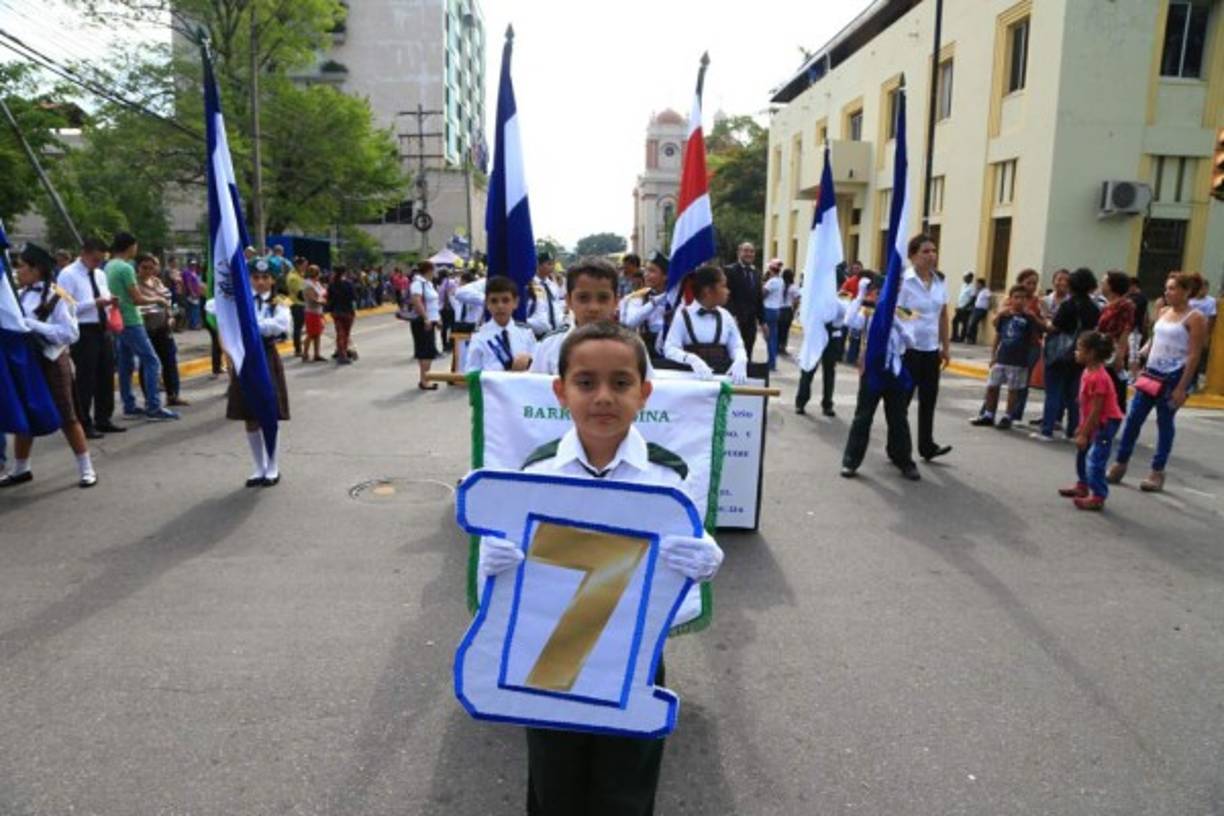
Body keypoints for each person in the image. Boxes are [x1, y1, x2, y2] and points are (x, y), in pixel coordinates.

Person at [476, 320, 723, 816]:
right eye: (586, 383)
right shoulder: (535, 473)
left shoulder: (665, 475)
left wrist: (702, 557)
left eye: (621, 383)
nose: (604, 397)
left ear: (645, 392)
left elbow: (682, 548)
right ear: (560, 391)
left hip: (632, 654)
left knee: (626, 783)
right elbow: (508, 570)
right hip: (548, 653)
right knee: (553, 778)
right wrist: (494, 567)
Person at [0, 243, 97, 488]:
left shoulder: (58, 295)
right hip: (28, 362)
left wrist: (31, 325)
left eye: (22, 266)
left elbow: (69, 334)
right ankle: (21, 469)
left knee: (67, 416)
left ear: (36, 270)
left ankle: (87, 468)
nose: (18, 270)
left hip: (52, 361)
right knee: (27, 411)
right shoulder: (19, 295)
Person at [1107, 272, 1207, 493]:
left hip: (1173, 377)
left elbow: (1193, 355)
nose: (1167, 292)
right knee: (1133, 419)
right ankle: (1120, 463)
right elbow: (1154, 341)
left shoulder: (1195, 318)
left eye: (1172, 288)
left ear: (1186, 291)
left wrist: (1182, 387)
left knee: (1164, 423)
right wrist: (1140, 367)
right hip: (1151, 373)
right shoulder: (1162, 311)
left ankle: (1157, 471)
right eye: (1166, 287)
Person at [839, 285, 920, 480]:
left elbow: (911, 343)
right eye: (880, 293)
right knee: (863, 417)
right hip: (873, 372)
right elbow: (849, 321)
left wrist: (896, 324)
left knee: (898, 418)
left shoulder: (903, 315)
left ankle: (905, 461)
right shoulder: (869, 313)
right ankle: (850, 461)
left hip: (895, 372)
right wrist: (859, 295)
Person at [227, 262, 290, 487]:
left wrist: (251, 324)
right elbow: (214, 307)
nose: (261, 281)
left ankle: (273, 465)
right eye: (255, 277)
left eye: (265, 277)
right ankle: (258, 466)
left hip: (266, 355)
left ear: (272, 280)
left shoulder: (279, 302)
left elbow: (281, 325)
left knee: (269, 411)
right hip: (244, 358)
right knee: (249, 413)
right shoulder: (240, 301)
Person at [105, 232, 179, 421]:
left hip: (117, 320)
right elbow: (137, 298)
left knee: (125, 364)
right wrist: (158, 299)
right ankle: (154, 406)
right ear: (130, 246)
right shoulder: (126, 268)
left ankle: (129, 404)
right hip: (131, 320)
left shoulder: (109, 266)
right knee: (152, 361)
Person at [56, 236, 124, 438]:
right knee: (86, 378)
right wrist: (93, 303)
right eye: (95, 259)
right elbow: (64, 307)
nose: (98, 263)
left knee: (106, 375)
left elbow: (104, 296)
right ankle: (83, 422)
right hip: (83, 331)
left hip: (103, 328)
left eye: (101, 259)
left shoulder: (100, 274)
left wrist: (110, 303)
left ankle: (103, 418)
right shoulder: (67, 275)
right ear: (84, 254)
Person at [1054, 331, 1125, 511]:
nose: (1076, 352)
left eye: (1079, 349)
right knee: (1082, 453)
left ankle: (1098, 495)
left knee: (1095, 460)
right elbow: (1086, 405)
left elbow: (1097, 409)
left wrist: (1085, 433)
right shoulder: (1088, 371)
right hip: (1093, 421)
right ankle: (1082, 485)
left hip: (1105, 423)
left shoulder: (1099, 377)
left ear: (1091, 353)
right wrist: (1082, 426)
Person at [898, 234, 952, 462]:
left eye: (934, 251)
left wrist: (945, 347)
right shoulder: (904, 281)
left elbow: (943, 315)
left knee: (928, 400)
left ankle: (927, 445)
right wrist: (911, 319)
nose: (932, 256)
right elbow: (896, 311)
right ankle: (899, 448)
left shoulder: (940, 281)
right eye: (926, 252)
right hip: (908, 350)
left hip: (930, 350)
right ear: (912, 256)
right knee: (901, 403)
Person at [1032, 267, 1100, 442]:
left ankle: (1047, 429)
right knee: (1074, 395)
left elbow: (1053, 327)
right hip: (1081, 354)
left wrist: (1041, 320)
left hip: (1059, 353)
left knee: (1053, 391)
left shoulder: (1068, 305)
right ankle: (1072, 430)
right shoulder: (1094, 307)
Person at [531, 258, 621, 375]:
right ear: (568, 301)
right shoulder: (549, 346)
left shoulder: (631, 347)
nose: (593, 308)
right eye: (583, 298)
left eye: (603, 298)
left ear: (616, 302)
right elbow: (535, 390)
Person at [662, 265, 749, 384]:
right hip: (692, 382)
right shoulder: (682, 316)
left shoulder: (726, 316)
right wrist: (691, 359)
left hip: (722, 382)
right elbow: (670, 348)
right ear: (708, 290)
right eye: (723, 286)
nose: (728, 291)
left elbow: (737, 345)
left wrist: (740, 359)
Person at [969, 284, 1040, 430]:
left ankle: (1008, 416)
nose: (1019, 301)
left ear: (1027, 301)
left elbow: (1034, 339)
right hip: (1002, 357)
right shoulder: (1005, 316)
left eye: (1023, 298)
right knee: (992, 386)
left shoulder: (1029, 318)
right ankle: (989, 414)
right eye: (1016, 297)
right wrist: (994, 355)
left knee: (1013, 390)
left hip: (1018, 360)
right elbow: (998, 336)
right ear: (1011, 299)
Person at [136, 254, 187, 407]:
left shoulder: (157, 282)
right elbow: (137, 304)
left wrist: (170, 315)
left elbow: (168, 301)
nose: (149, 271)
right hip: (146, 327)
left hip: (164, 327)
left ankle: (172, 395)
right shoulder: (135, 285)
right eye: (145, 268)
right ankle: (150, 399)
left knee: (170, 361)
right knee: (148, 363)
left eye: (152, 268)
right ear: (138, 268)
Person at [794, 277, 846, 418]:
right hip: (815, 336)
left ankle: (827, 404)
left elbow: (844, 317)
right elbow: (802, 316)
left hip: (831, 337)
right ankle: (801, 402)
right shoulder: (813, 299)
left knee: (829, 372)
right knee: (808, 368)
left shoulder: (839, 302)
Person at [464, 276, 536, 373]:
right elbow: (471, 372)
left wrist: (528, 361)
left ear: (515, 302)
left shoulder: (526, 333)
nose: (500, 306)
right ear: (487, 304)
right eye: (494, 301)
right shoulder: (479, 336)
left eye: (505, 300)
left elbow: (537, 367)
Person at [1096, 271, 1136, 415]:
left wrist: (1120, 355)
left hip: (1113, 352)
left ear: (1112, 285)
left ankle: (1110, 423)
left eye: (1104, 281)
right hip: (1102, 349)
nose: (1101, 284)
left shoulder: (1125, 305)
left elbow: (1126, 330)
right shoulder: (1107, 305)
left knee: (1114, 389)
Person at [620, 251, 669, 358]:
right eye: (646, 270)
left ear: (665, 276)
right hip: (645, 350)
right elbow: (631, 322)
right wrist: (655, 302)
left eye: (652, 271)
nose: (646, 274)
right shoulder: (638, 297)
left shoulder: (675, 297)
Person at [723, 242, 763, 363]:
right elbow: (726, 295)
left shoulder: (756, 273)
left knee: (748, 351)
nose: (749, 254)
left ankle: (745, 377)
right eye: (746, 250)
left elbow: (758, 298)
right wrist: (732, 315)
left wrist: (763, 321)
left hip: (750, 321)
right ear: (739, 252)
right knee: (733, 351)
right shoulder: (729, 270)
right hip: (735, 319)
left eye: (751, 251)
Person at [409, 261, 441, 389]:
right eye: (434, 270)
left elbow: (433, 304)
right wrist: (426, 318)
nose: (435, 272)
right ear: (429, 270)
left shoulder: (428, 284)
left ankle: (425, 379)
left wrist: (437, 319)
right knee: (425, 352)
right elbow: (417, 302)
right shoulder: (418, 283)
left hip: (430, 321)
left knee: (428, 351)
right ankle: (424, 381)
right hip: (423, 322)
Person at [526, 251, 567, 338]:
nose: (552, 267)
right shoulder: (530, 284)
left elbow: (556, 305)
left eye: (553, 264)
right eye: (549, 264)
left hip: (554, 333)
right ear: (539, 265)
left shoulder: (552, 285)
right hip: (535, 333)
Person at [1188, 273, 1216, 383]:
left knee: (1198, 357)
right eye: (1201, 287)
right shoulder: (1190, 300)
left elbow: (1212, 317)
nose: (1203, 290)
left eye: (1205, 288)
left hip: (1201, 332)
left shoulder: (1210, 301)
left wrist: (1207, 335)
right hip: (1188, 332)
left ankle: (1194, 380)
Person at [327, 265, 357, 364]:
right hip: (347, 311)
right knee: (345, 334)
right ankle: (343, 354)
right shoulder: (348, 284)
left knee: (340, 334)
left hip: (336, 311)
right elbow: (354, 297)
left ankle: (341, 352)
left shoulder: (332, 284)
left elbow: (329, 299)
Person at [761, 260, 785, 371]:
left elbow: (763, 294)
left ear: (771, 270)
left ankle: (771, 362)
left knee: (768, 337)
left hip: (768, 309)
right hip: (776, 310)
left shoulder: (771, 282)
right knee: (773, 337)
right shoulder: (781, 281)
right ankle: (772, 361)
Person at [302, 264, 326, 363]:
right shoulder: (308, 284)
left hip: (318, 311)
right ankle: (305, 354)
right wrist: (323, 302)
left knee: (317, 334)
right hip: (311, 311)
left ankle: (317, 354)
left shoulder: (316, 283)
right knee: (311, 334)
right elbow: (312, 298)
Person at [286, 256, 307, 358]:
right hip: (297, 304)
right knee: (297, 328)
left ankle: (299, 348)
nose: (305, 267)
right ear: (298, 265)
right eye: (304, 265)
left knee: (299, 327)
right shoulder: (293, 277)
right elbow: (299, 293)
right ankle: (298, 349)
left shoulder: (300, 275)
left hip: (301, 303)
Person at [776, 268, 798, 356]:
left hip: (779, 309)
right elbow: (797, 300)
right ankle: (783, 347)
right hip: (787, 310)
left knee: (778, 329)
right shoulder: (793, 287)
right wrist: (794, 309)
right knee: (785, 330)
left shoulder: (779, 285)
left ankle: (777, 346)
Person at [951, 271, 976, 342]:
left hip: (966, 309)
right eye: (964, 277)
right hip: (960, 307)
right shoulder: (963, 285)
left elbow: (972, 299)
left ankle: (961, 338)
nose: (964, 278)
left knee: (964, 323)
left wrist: (964, 307)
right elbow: (961, 297)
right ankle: (955, 336)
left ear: (970, 278)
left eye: (966, 277)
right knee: (955, 321)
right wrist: (958, 306)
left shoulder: (972, 287)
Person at [964, 279, 990, 344]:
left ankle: (971, 338)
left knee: (973, 323)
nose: (977, 285)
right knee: (972, 323)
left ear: (981, 284)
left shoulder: (986, 291)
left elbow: (990, 298)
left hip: (981, 309)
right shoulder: (979, 291)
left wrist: (990, 307)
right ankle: (971, 339)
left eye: (978, 284)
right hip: (976, 308)